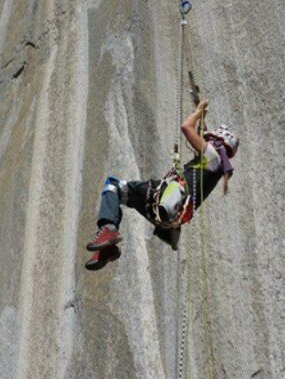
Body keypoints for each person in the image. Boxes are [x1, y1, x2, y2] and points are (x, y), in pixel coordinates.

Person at [84, 99, 238, 270]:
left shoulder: (212, 156)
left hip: (162, 197)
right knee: (123, 196)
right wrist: (200, 114)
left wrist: (198, 112)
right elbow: (200, 135)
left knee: (113, 186)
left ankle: (108, 230)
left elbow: (186, 127)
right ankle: (107, 248)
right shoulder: (215, 166)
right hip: (165, 215)